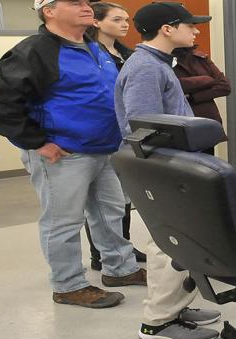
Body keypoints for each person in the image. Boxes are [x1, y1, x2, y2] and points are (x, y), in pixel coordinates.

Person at [0, 0, 145, 309]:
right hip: (63, 154)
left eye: (87, 2)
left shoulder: (96, 47)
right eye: (76, 2)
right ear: (50, 11)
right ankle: (68, 285)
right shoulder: (34, 51)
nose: (86, 6)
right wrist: (38, 142)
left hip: (104, 149)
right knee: (63, 222)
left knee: (111, 213)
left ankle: (120, 269)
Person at [116, 2, 223, 339]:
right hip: (160, 170)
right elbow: (144, 127)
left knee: (180, 242)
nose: (196, 31)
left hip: (170, 166)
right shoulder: (147, 68)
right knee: (167, 244)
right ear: (167, 29)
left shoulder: (159, 64)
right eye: (190, 25)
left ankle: (175, 307)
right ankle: (158, 322)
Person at [83, 2, 145, 273]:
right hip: (99, 135)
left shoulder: (125, 54)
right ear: (96, 22)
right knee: (100, 202)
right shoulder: (88, 53)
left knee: (122, 199)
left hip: (124, 134)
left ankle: (124, 246)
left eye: (127, 19)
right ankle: (100, 254)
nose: (125, 24)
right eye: (117, 19)